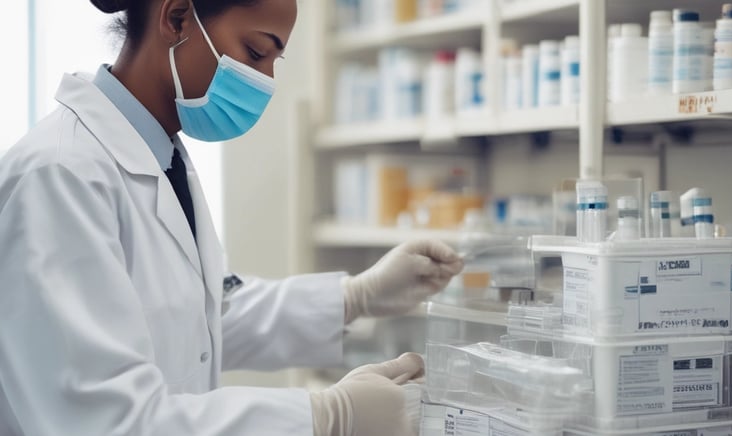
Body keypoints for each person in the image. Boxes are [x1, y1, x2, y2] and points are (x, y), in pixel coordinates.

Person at [0, 0, 464, 435]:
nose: (263, 80)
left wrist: (357, 296)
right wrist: (325, 415)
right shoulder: (60, 175)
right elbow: (106, 421)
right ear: (177, 18)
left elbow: (203, 318)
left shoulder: (162, 158)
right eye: (256, 51)